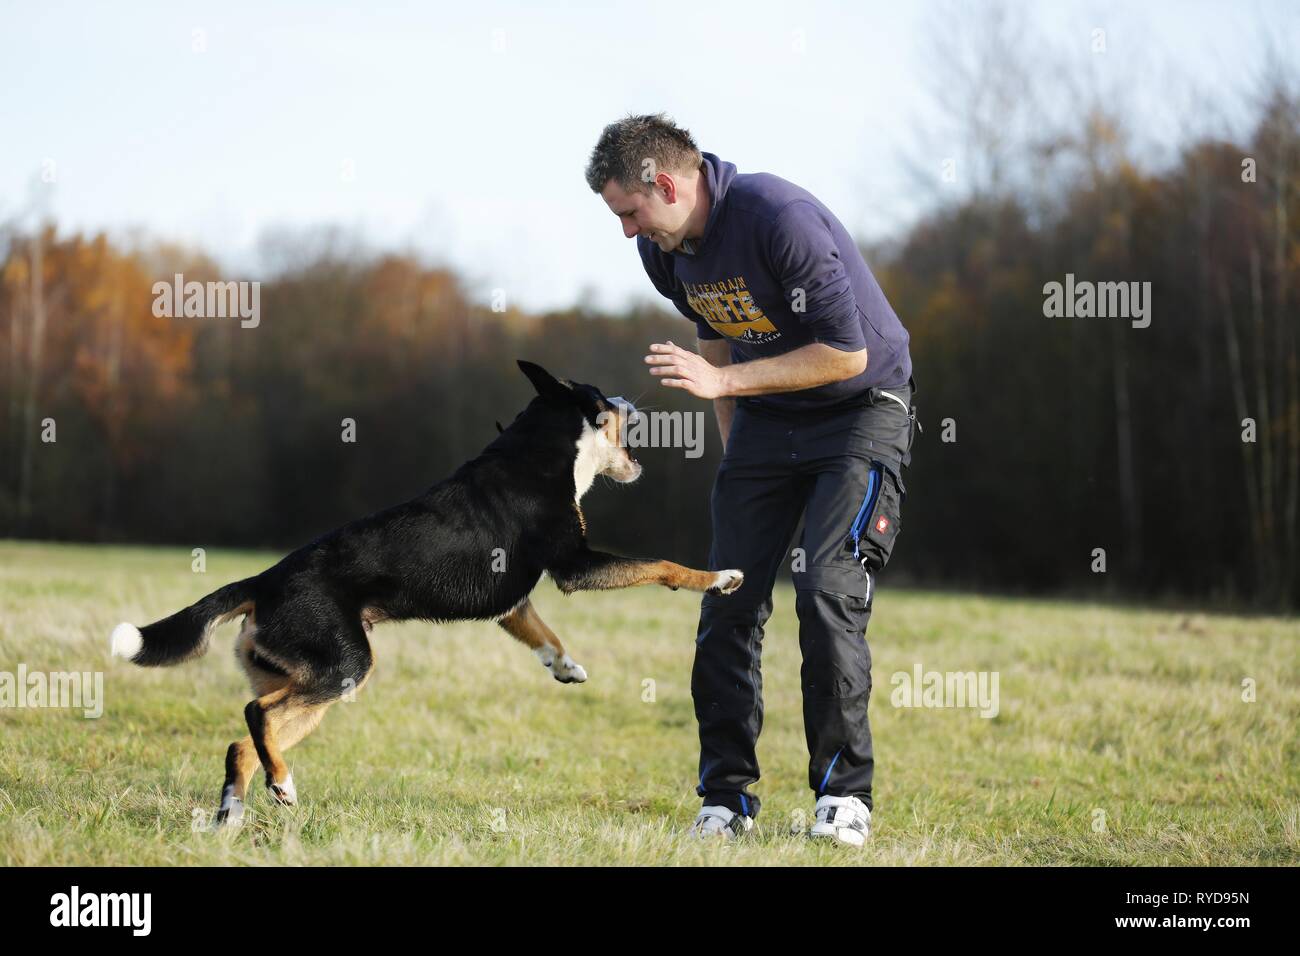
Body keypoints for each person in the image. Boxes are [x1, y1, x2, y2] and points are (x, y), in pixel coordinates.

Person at [585, 114, 917, 847]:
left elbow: (845, 354)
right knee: (728, 597)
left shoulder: (778, 218)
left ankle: (843, 798)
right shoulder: (665, 251)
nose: (627, 231)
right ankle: (725, 798)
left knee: (828, 592)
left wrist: (722, 380)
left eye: (629, 212)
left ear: (665, 185)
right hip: (767, 422)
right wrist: (738, 456)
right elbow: (716, 342)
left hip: (860, 410)